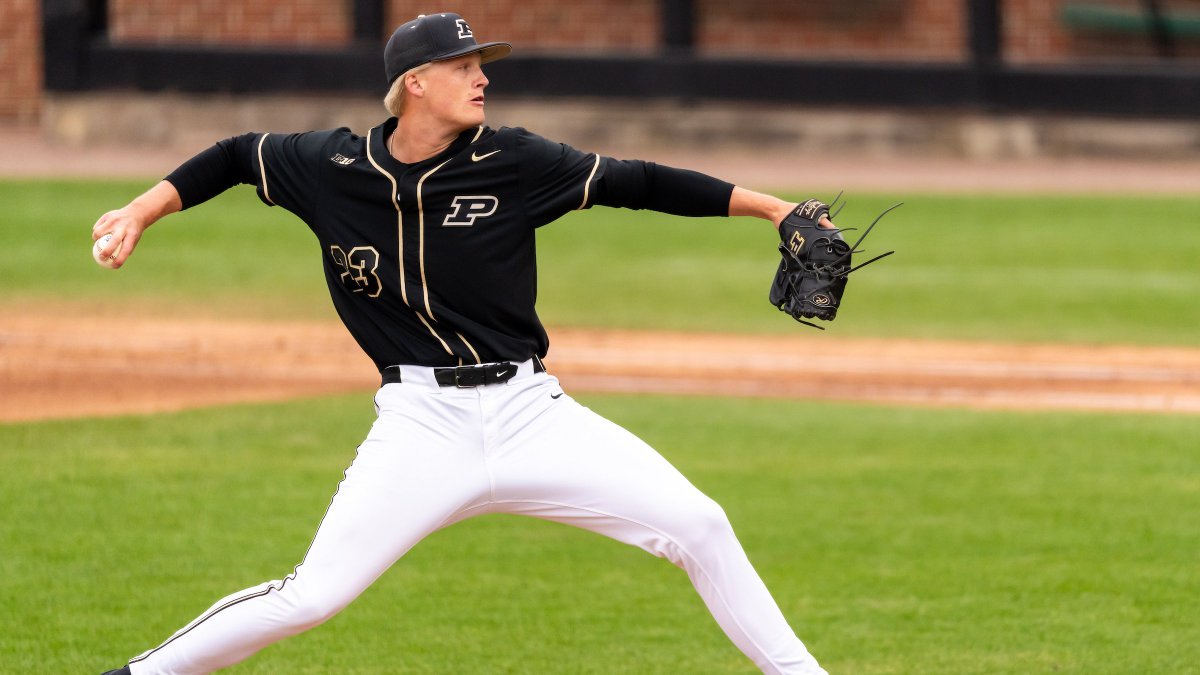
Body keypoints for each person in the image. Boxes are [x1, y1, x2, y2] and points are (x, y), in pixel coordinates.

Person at [97, 13, 834, 675]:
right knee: (311, 597)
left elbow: (636, 181)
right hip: (421, 425)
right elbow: (234, 155)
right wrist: (142, 208)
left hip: (530, 412)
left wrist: (770, 208)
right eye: (464, 65)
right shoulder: (332, 167)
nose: (482, 77)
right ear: (414, 83)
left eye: (481, 64)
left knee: (698, 523)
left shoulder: (512, 161)